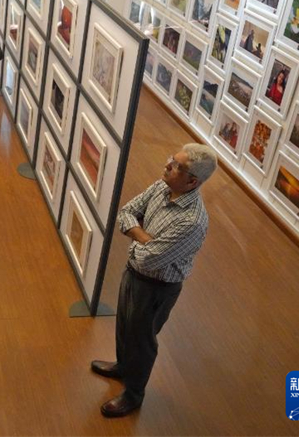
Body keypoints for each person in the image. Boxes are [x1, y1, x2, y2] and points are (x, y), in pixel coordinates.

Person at [91, 144, 218, 418]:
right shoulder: (163, 186)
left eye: (176, 165)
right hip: (134, 274)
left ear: (192, 181)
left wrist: (136, 240)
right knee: (125, 325)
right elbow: (126, 212)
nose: (168, 164)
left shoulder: (193, 222)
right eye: (172, 159)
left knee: (142, 340)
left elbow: (149, 260)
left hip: (157, 288)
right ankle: (123, 367)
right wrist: (146, 239)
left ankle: (134, 394)